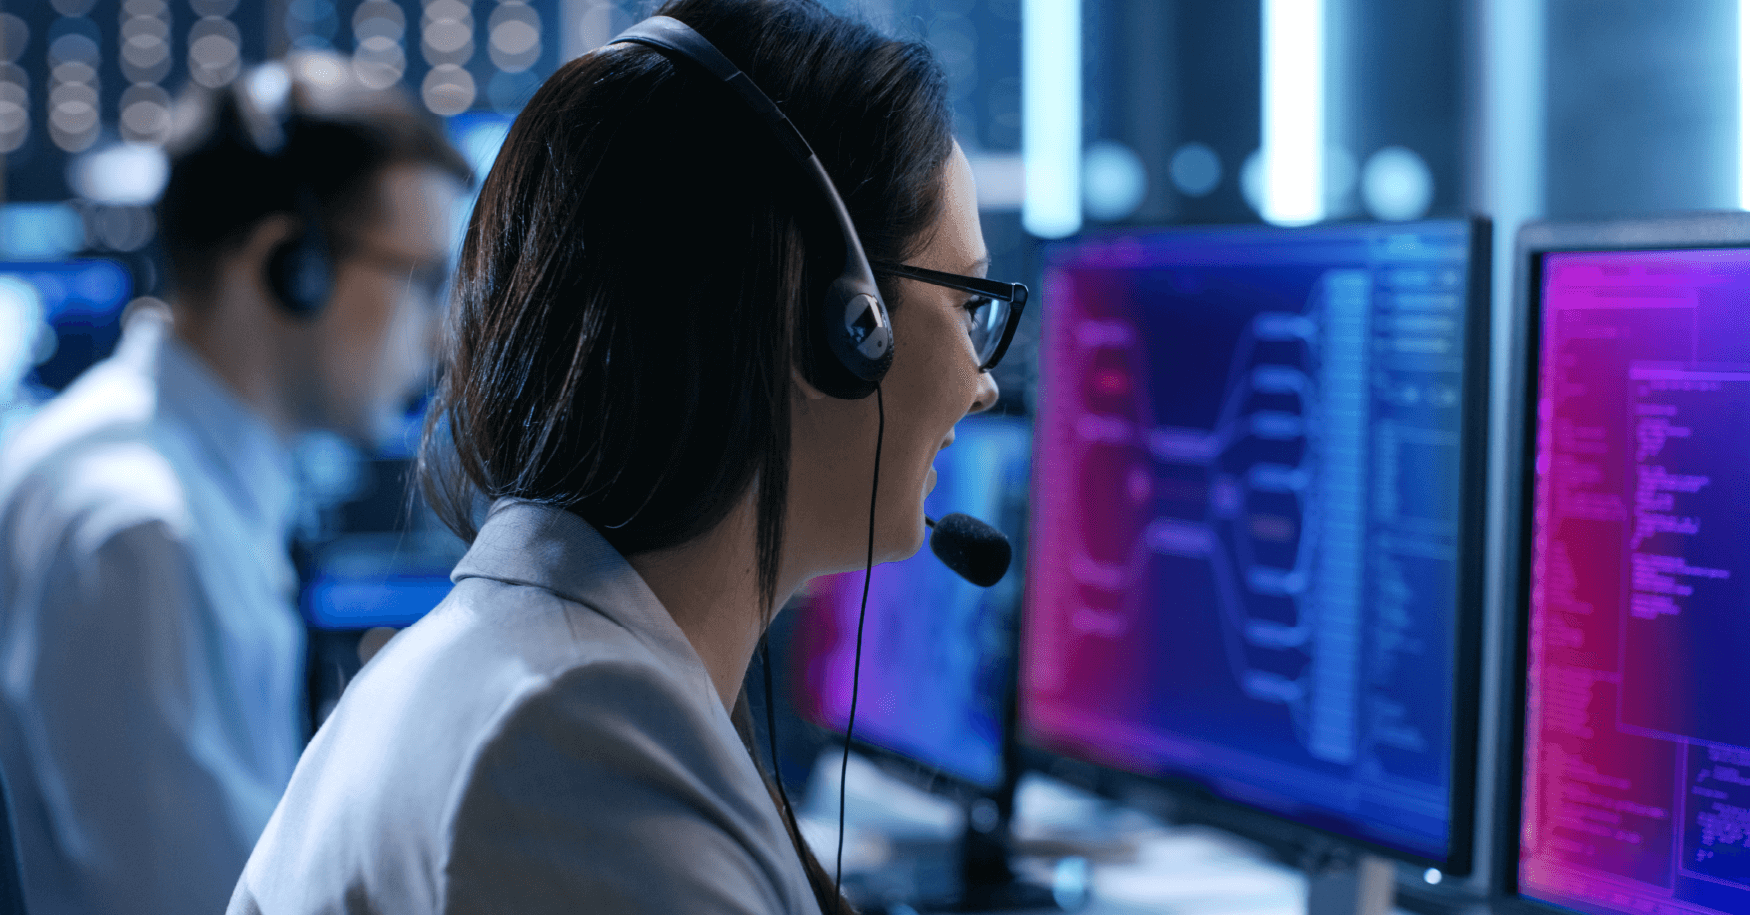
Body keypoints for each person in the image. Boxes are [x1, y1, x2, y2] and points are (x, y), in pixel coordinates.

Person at [228, 0, 1031, 911]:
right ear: (841, 326)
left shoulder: (536, 681)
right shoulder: (577, 760)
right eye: (970, 306)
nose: (983, 382)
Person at [0, 53, 470, 915]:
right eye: (421, 278)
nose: (440, 334)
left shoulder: (142, 470)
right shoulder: (146, 538)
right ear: (291, 266)